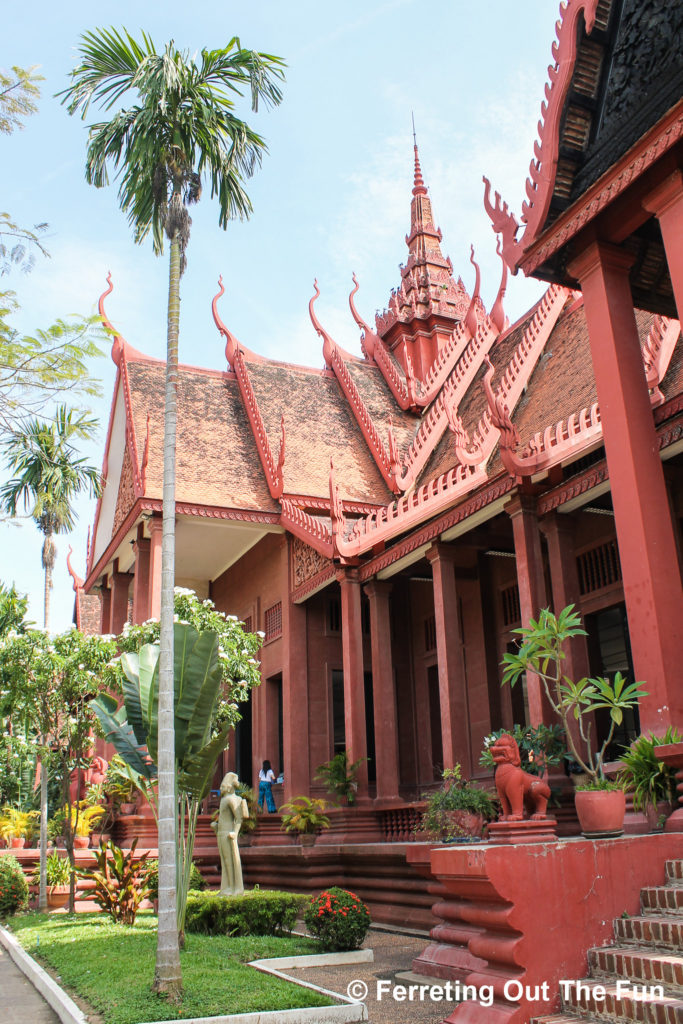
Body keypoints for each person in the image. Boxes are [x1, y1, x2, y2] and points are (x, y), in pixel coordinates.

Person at [211, 772, 247, 896]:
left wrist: (235, 832)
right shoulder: (225, 800)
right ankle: (226, 887)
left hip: (227, 833)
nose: (221, 788)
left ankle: (232, 887)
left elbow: (239, 818)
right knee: (224, 861)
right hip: (221, 832)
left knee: (229, 860)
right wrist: (216, 827)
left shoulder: (231, 799)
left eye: (223, 785)